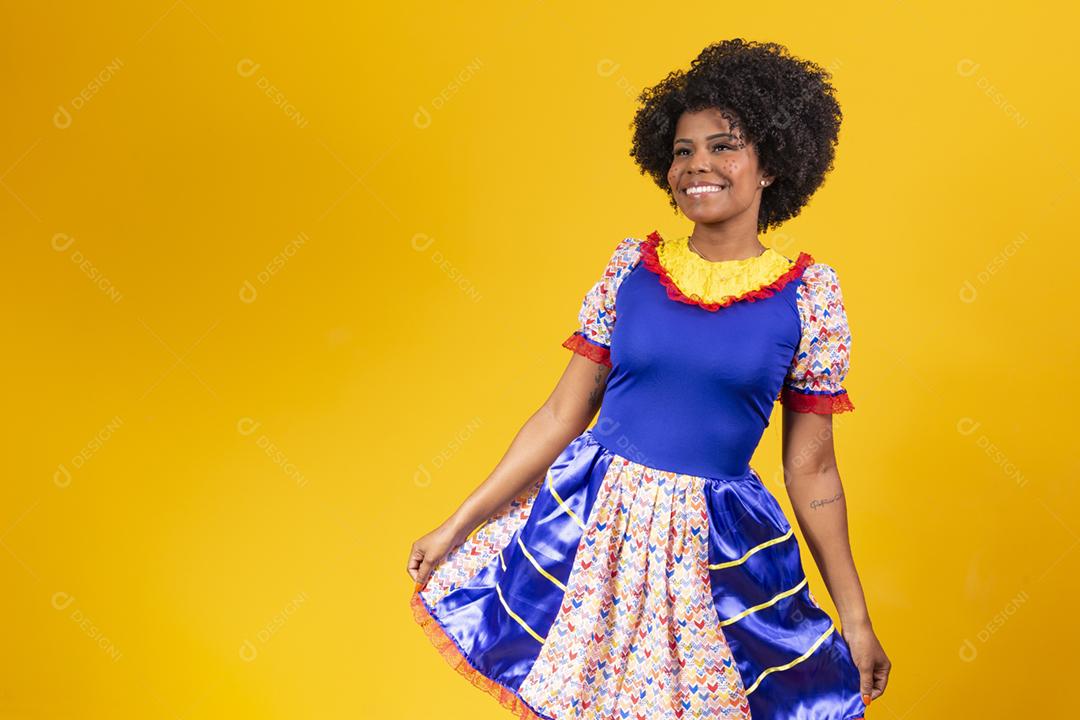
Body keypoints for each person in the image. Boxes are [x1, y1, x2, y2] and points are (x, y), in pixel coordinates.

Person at [406, 37, 891, 720]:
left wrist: (858, 618)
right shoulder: (631, 269)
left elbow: (812, 472)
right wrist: (459, 521)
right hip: (597, 531)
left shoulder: (810, 296)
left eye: (724, 146)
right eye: (684, 150)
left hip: (714, 552)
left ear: (773, 165)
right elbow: (558, 416)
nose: (698, 166)